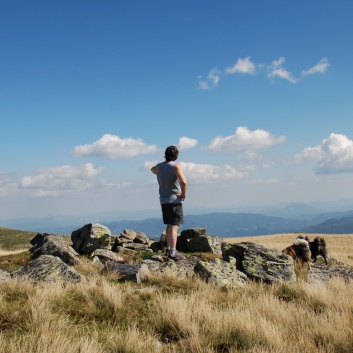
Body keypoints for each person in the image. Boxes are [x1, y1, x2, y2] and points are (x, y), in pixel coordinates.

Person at [151, 146, 187, 261]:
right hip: (174, 200)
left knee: (168, 225)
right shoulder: (175, 166)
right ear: (176, 156)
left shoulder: (160, 166)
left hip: (163, 200)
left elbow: (152, 170)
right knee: (174, 226)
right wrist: (183, 195)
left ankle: (168, 247)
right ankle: (172, 252)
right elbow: (184, 182)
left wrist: (160, 168)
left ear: (165, 155)